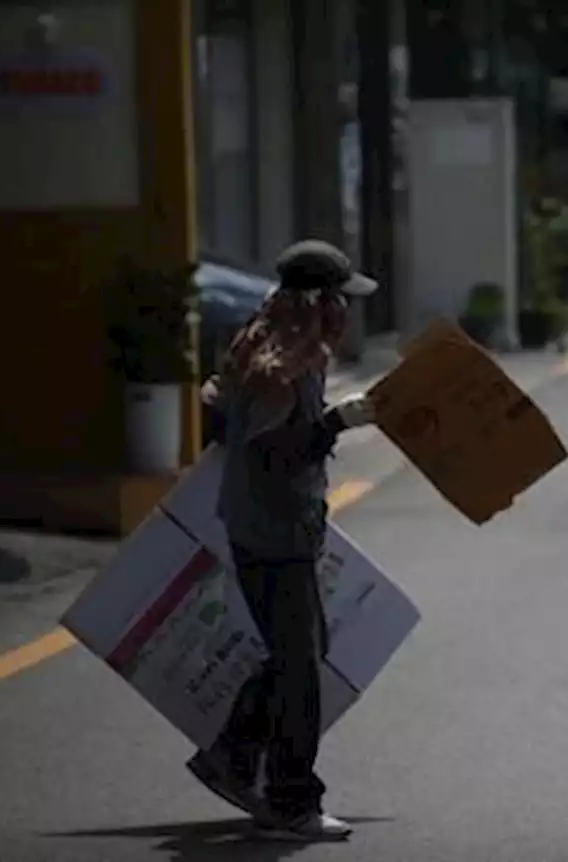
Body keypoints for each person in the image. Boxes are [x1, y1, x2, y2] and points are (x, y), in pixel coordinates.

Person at [186, 239, 378, 841]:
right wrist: (338, 422)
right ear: (319, 304)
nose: (349, 314)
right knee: (299, 669)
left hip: (262, 523)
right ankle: (292, 799)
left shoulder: (272, 342)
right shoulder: (284, 366)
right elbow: (273, 455)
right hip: (272, 531)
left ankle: (234, 756)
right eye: (342, 301)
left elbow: (217, 405)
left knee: (304, 649)